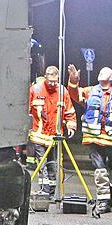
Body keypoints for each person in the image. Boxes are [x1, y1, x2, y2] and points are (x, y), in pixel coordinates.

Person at [67, 64, 112, 213]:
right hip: (95, 139)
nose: (101, 73)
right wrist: (73, 80)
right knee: (101, 171)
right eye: (100, 71)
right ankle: (103, 202)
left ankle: (110, 192)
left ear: (111, 77)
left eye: (105, 72)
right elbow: (73, 94)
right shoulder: (90, 91)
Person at [28, 66, 77, 194]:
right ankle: (44, 190)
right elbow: (26, 110)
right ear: (45, 77)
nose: (52, 84)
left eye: (55, 81)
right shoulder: (35, 89)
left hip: (55, 137)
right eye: (50, 81)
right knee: (42, 164)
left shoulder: (62, 91)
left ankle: (52, 190)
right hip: (39, 135)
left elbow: (69, 111)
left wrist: (71, 126)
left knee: (53, 164)